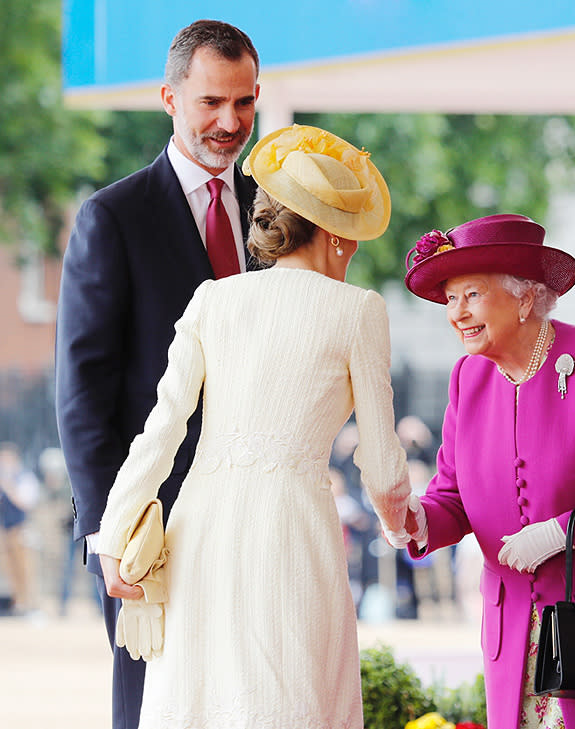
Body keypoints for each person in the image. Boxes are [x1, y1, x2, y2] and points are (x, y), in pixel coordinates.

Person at [95, 124, 412, 728]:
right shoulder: (358, 311)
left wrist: (113, 538)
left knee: (199, 701)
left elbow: (160, 430)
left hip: (202, 529)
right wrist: (401, 527)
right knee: (291, 698)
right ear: (338, 235)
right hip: (293, 532)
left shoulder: (213, 298)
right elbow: (382, 466)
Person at [393, 214, 575, 728]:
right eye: (450, 299)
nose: (456, 313)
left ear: (525, 297)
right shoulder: (468, 378)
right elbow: (453, 496)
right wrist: (415, 520)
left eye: (471, 295)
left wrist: (563, 532)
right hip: (515, 632)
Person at [55, 19, 260, 729]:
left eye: (244, 102)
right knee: (154, 710)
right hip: (151, 529)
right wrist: (110, 531)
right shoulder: (111, 218)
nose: (229, 122)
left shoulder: (277, 214)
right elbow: (83, 392)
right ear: (169, 98)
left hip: (256, 516)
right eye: (211, 102)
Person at [0, 442, 41, 616]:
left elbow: (25, 502)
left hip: (20, 529)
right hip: (4, 530)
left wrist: (8, 486)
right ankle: (15, 603)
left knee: (24, 568)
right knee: (8, 569)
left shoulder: (25, 478)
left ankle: (28, 604)